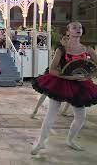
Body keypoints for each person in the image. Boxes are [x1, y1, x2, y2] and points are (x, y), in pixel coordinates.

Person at [31, 22, 97, 155]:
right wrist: (69, 77)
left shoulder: (88, 49)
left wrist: (88, 76)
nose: (78, 29)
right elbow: (52, 69)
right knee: (51, 113)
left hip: (81, 85)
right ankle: (41, 142)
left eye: (80, 27)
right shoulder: (62, 49)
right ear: (68, 32)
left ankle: (70, 140)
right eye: (74, 27)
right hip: (61, 83)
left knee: (81, 116)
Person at [31, 35, 71, 119]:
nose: (66, 40)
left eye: (68, 39)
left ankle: (64, 111)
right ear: (61, 41)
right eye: (64, 39)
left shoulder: (72, 50)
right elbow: (54, 64)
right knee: (45, 92)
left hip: (68, 74)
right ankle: (35, 110)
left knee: (72, 93)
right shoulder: (59, 50)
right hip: (56, 73)